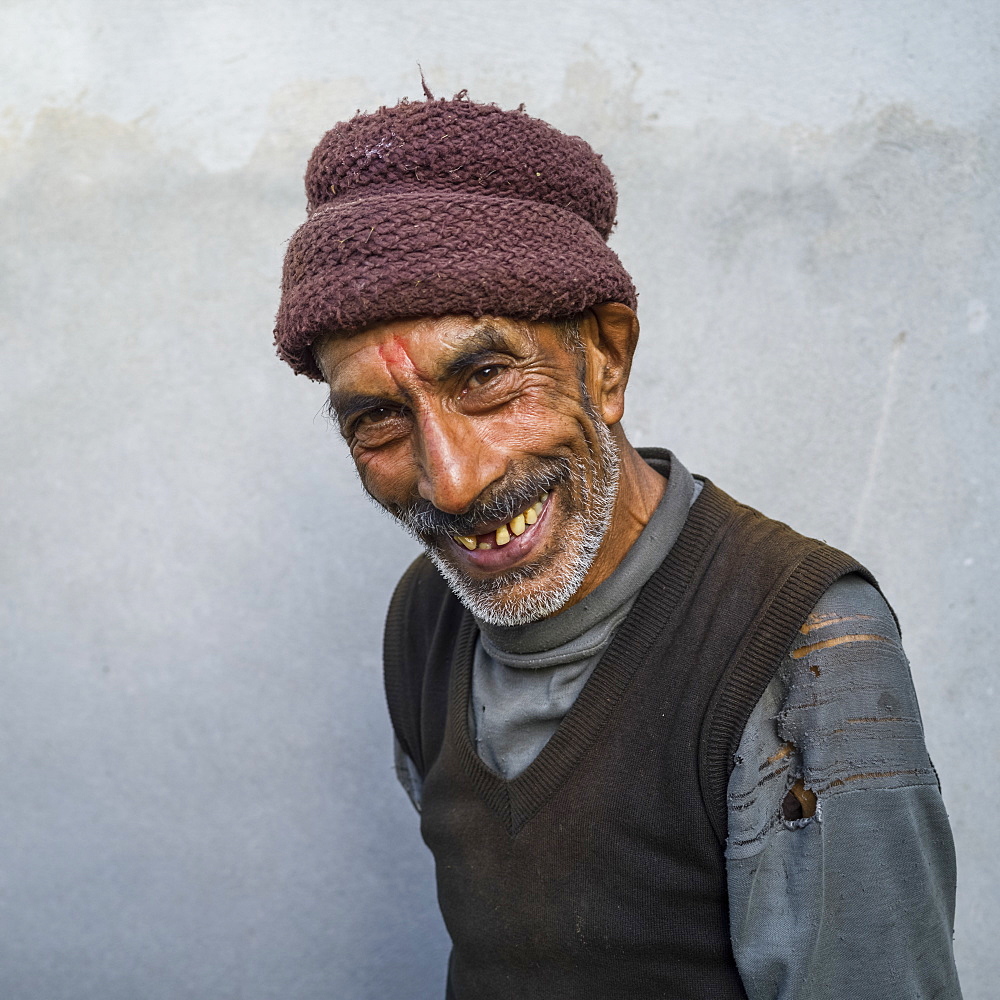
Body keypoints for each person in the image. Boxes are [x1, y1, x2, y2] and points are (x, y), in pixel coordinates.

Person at [274, 95, 962, 999]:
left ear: (606, 358)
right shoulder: (427, 612)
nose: (453, 484)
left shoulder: (805, 643)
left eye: (485, 377)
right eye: (378, 419)